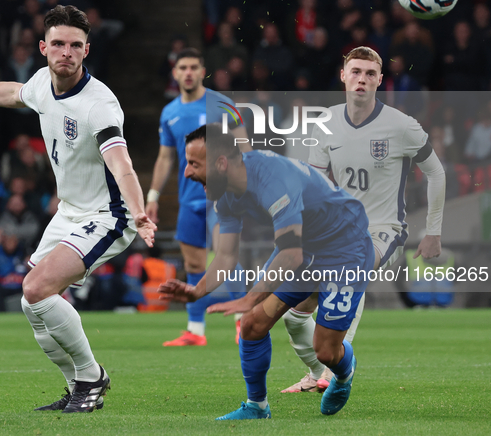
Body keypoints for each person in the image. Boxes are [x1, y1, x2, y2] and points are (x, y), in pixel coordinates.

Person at [0, 4, 156, 413]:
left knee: (36, 288)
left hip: (109, 215)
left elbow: (121, 163)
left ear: (87, 50)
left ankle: (92, 376)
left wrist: (139, 211)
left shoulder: (99, 104)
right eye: (58, 44)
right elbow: (12, 93)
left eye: (74, 45)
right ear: (43, 47)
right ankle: (76, 386)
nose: (65, 52)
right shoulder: (41, 83)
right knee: (30, 302)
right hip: (70, 211)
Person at [160, 124, 374, 418]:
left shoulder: (272, 179)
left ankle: (345, 372)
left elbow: (290, 253)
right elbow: (224, 256)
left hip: (345, 246)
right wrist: (196, 291)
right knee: (251, 324)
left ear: (221, 163)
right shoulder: (226, 192)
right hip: (305, 246)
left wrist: (250, 298)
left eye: (194, 164)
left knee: (326, 351)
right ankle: (257, 407)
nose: (186, 173)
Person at [281, 46, 446, 394]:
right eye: (355, 71)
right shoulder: (325, 123)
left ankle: (331, 369)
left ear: (380, 80)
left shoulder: (402, 126)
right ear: (343, 75)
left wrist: (433, 232)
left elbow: (437, 173)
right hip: (336, 231)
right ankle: (320, 370)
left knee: (349, 270)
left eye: (370, 74)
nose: (362, 79)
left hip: (385, 231)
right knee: (294, 313)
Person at [146, 48, 250, 347]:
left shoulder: (223, 104)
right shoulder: (170, 112)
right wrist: (153, 195)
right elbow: (165, 158)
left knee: (226, 257)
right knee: (193, 265)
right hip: (188, 199)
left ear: (202, 70)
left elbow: (245, 148)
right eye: (183, 67)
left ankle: (243, 322)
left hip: (223, 196)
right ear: (175, 73)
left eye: (194, 66)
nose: (188, 72)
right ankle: (195, 330)